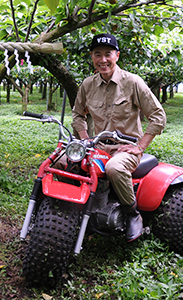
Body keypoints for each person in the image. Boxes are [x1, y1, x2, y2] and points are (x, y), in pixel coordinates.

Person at [71, 33, 166, 242]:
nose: (103, 59)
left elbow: (158, 116)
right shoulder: (87, 85)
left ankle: (132, 213)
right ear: (91, 57)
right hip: (98, 146)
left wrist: (140, 146)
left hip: (126, 148)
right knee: (64, 161)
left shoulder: (132, 82)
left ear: (117, 56)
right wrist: (85, 137)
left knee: (115, 168)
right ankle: (72, 211)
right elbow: (78, 114)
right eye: (98, 54)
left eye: (108, 54)